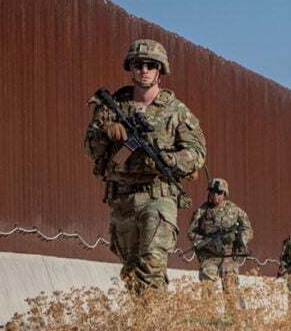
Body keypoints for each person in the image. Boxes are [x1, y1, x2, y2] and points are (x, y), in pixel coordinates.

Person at [84, 39, 206, 292]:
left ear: (160, 69)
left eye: (151, 65)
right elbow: (89, 150)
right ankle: (151, 318)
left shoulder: (176, 111)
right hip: (122, 199)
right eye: (138, 64)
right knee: (132, 271)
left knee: (151, 262)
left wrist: (166, 160)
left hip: (158, 197)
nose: (144, 70)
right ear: (131, 68)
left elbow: (196, 154)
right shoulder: (111, 107)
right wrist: (105, 133)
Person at [187, 178, 253, 308]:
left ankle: (234, 322)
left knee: (231, 290)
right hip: (209, 256)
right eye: (212, 192)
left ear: (225, 194)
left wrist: (239, 239)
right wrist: (203, 242)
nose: (215, 195)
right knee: (207, 289)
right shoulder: (202, 211)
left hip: (229, 256)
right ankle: (209, 322)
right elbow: (191, 232)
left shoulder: (235, 210)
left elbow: (248, 230)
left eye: (219, 192)